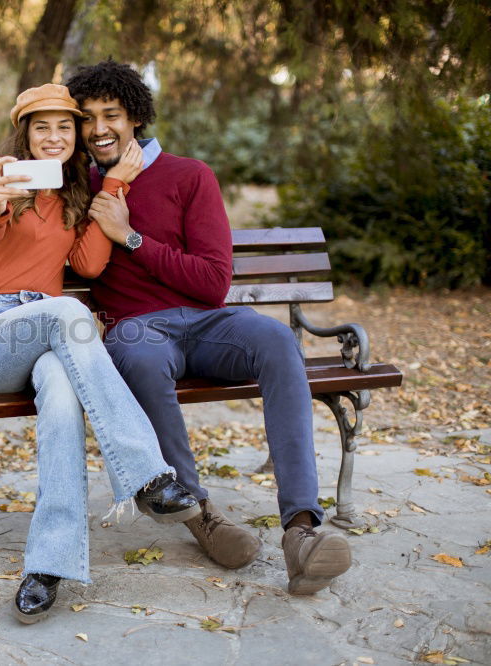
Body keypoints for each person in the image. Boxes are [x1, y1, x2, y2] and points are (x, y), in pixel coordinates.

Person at [55, 59, 352, 595]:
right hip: (136, 330)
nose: (99, 129)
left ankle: (301, 530)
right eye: (87, 118)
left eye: (112, 115)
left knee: (277, 339)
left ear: (136, 117)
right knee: (142, 359)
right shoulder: (76, 191)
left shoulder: (190, 175)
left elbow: (213, 283)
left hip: (211, 321)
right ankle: (202, 517)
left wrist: (131, 238)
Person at [0, 83, 200, 622]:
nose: (54, 136)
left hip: (42, 340)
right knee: (68, 311)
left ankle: (49, 563)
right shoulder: (0, 178)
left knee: (63, 395)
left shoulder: (74, 201)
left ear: (76, 138)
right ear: (25, 133)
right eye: (42, 126)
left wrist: (113, 185)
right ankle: (149, 477)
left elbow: (87, 267)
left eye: (66, 126)